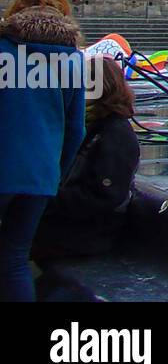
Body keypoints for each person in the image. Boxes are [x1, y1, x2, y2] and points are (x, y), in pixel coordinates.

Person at [0, 0, 85, 302]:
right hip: (40, 176)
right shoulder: (75, 62)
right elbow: (76, 129)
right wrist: (55, 174)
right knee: (14, 258)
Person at [33, 56, 140, 260]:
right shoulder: (89, 125)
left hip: (85, 234)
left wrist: (44, 199)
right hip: (69, 224)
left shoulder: (114, 133)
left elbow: (103, 196)